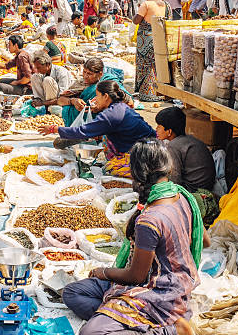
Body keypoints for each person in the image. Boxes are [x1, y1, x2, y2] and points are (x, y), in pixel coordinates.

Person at [62, 139, 208, 335]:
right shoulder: (183, 196)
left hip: (160, 291)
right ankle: (122, 318)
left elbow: (136, 276)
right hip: (158, 279)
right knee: (72, 293)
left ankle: (172, 330)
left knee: (89, 333)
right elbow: (204, 241)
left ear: (138, 173)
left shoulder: (150, 220)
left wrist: (103, 272)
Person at [41, 81, 155, 177]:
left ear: (105, 96)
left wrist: (54, 129)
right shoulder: (120, 106)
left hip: (144, 153)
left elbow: (82, 131)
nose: (95, 99)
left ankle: (131, 166)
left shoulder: (111, 115)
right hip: (150, 144)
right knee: (105, 137)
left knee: (109, 170)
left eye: (97, 95)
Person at [155, 107, 218, 224]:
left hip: (195, 190)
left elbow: (175, 181)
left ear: (169, 131)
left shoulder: (173, 146)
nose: (156, 129)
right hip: (207, 184)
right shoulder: (188, 139)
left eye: (159, 126)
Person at [57, 58, 123, 127]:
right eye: (84, 72)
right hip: (78, 121)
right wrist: (73, 101)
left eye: (89, 74)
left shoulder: (109, 83)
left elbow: (127, 102)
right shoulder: (80, 83)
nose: (85, 76)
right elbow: (60, 100)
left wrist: (101, 106)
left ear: (100, 74)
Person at [133, 0, 170, 102]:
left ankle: (147, 93)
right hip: (160, 38)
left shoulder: (146, 4)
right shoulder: (166, 5)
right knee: (158, 64)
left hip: (146, 39)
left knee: (146, 65)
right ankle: (160, 91)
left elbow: (136, 21)